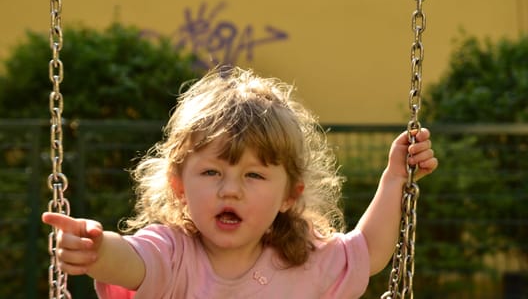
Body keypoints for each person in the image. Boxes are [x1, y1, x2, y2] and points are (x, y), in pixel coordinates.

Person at [42, 66, 438, 299]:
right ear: (179, 183)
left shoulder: (305, 261)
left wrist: (395, 177)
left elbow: (368, 249)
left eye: (254, 175)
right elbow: (130, 260)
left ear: (289, 196)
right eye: (212, 172)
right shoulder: (174, 254)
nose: (230, 189)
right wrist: (96, 250)